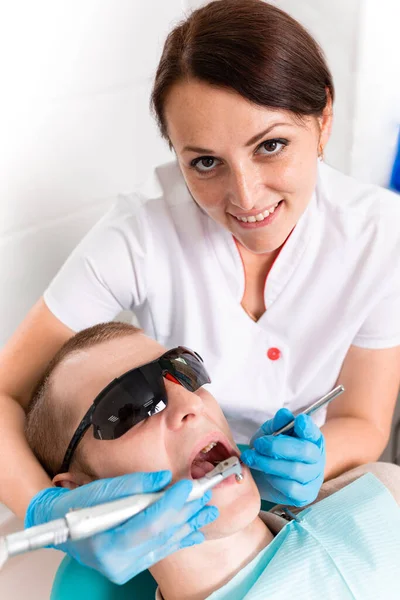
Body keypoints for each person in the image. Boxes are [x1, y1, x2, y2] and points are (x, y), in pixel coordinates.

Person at [1, 0, 399, 581]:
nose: (245, 197)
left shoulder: (380, 237)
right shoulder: (140, 235)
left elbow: (364, 417)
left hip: (304, 493)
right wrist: (42, 508)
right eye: (206, 162)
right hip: (173, 510)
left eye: (271, 146)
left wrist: (305, 468)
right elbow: (5, 394)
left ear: (323, 121)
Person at [25, 322, 400, 599]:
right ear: (82, 491)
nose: (192, 403)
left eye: (184, 373)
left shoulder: (384, 497)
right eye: (131, 404)